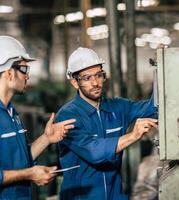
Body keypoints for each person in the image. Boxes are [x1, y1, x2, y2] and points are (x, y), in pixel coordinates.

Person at [0, 35, 76, 200]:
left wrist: (47, 138)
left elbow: (19, 159)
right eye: (24, 69)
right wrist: (29, 174)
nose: (27, 76)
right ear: (8, 73)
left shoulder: (9, 111)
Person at [55, 47, 158, 200]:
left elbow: (154, 107)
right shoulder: (67, 116)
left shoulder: (117, 107)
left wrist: (161, 69)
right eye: (87, 78)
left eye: (98, 75)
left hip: (114, 195)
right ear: (75, 82)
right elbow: (94, 152)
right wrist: (133, 135)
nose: (95, 83)